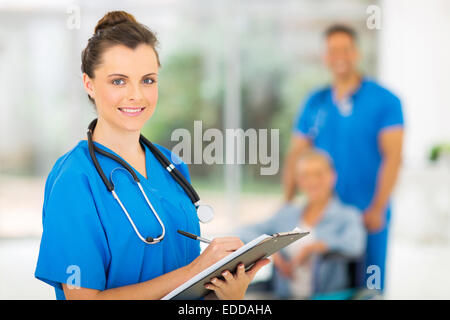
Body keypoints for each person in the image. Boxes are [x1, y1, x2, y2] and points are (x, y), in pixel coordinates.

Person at [34, 11, 269, 300]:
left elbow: (189, 286)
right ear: (89, 84)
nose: (137, 95)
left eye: (147, 80)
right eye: (119, 81)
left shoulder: (171, 164)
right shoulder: (74, 179)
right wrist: (195, 270)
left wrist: (226, 292)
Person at [282, 24, 404, 291]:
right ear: (325, 56)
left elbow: (393, 158)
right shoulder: (315, 102)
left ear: (356, 53)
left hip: (367, 212)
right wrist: (288, 203)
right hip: (326, 215)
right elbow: (296, 155)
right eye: (332, 50)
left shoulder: (386, 101)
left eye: (345, 49)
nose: (339, 56)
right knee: (325, 284)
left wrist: (379, 207)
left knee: (368, 286)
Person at [238, 150, 366, 299]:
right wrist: (270, 249)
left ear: (332, 177)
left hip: (327, 295)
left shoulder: (347, 215)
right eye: (305, 175)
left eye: (318, 174)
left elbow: (356, 245)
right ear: (299, 180)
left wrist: (316, 247)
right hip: (283, 295)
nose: (312, 181)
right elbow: (244, 232)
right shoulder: (287, 214)